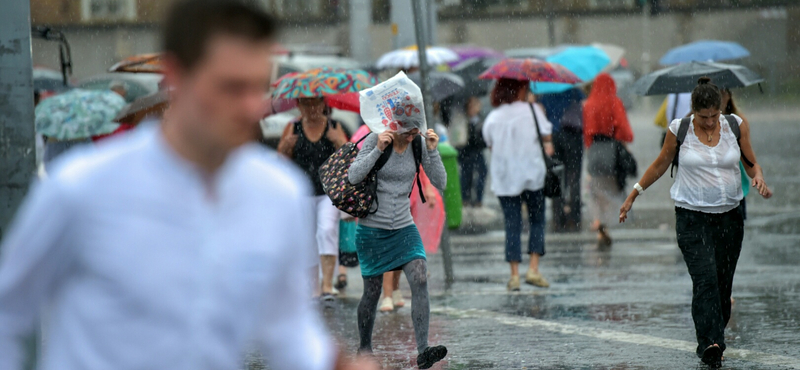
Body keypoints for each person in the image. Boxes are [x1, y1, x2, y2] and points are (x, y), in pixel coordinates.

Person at [0, 2, 376, 370]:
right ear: (177, 77)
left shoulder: (277, 194)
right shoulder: (82, 190)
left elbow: (287, 331)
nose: (251, 107)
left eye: (257, 87)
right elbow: (8, 309)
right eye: (231, 87)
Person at [620, 77, 772, 368]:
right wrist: (634, 194)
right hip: (692, 218)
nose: (710, 122)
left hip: (730, 218)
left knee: (723, 287)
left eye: (714, 115)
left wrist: (759, 178)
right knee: (705, 282)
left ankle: (712, 336)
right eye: (704, 117)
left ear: (721, 108)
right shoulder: (680, 129)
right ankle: (711, 343)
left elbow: (751, 162)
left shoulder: (736, 125)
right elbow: (661, 164)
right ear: (694, 111)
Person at [348, 119, 448, 368]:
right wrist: (378, 149)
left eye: (417, 126)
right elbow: (353, 176)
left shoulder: (418, 145)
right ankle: (364, 348)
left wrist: (433, 151)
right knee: (372, 293)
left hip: (404, 227)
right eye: (409, 126)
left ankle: (423, 350)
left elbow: (441, 181)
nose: (414, 131)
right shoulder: (376, 138)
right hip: (372, 230)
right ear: (396, 122)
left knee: (420, 277)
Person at [482, 78, 553, 291]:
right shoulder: (532, 111)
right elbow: (547, 134)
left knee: (512, 224)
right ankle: (533, 268)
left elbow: (489, 142)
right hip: (532, 174)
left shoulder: (494, 116)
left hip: (505, 178)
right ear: (521, 89)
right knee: (537, 221)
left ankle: (514, 275)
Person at [277, 97, 348, 302]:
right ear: (298, 106)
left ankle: (327, 285)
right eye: (306, 104)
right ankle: (313, 287)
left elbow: (348, 158)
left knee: (326, 230)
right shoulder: (292, 127)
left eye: (316, 103)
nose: (312, 108)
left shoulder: (334, 126)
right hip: (302, 193)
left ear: (324, 104)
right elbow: (281, 161)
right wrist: (285, 147)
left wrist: (338, 140)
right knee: (307, 237)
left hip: (327, 191)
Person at [583, 73, 634, 247]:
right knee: (612, 189)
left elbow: (587, 133)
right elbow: (624, 130)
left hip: (595, 151)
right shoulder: (614, 103)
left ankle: (599, 224)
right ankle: (607, 222)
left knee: (596, 191)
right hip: (612, 151)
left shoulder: (589, 104)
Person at [539, 88, 586, 232]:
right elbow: (584, 107)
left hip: (554, 137)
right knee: (574, 176)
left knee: (557, 177)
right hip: (573, 135)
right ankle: (574, 215)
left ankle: (558, 215)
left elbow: (542, 114)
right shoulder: (574, 91)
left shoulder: (545, 92)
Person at [458, 96, 488, 208]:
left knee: (480, 174)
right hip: (466, 152)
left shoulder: (480, 121)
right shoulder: (464, 121)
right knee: (466, 175)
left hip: (476, 152)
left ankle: (477, 199)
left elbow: (482, 140)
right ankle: (466, 198)